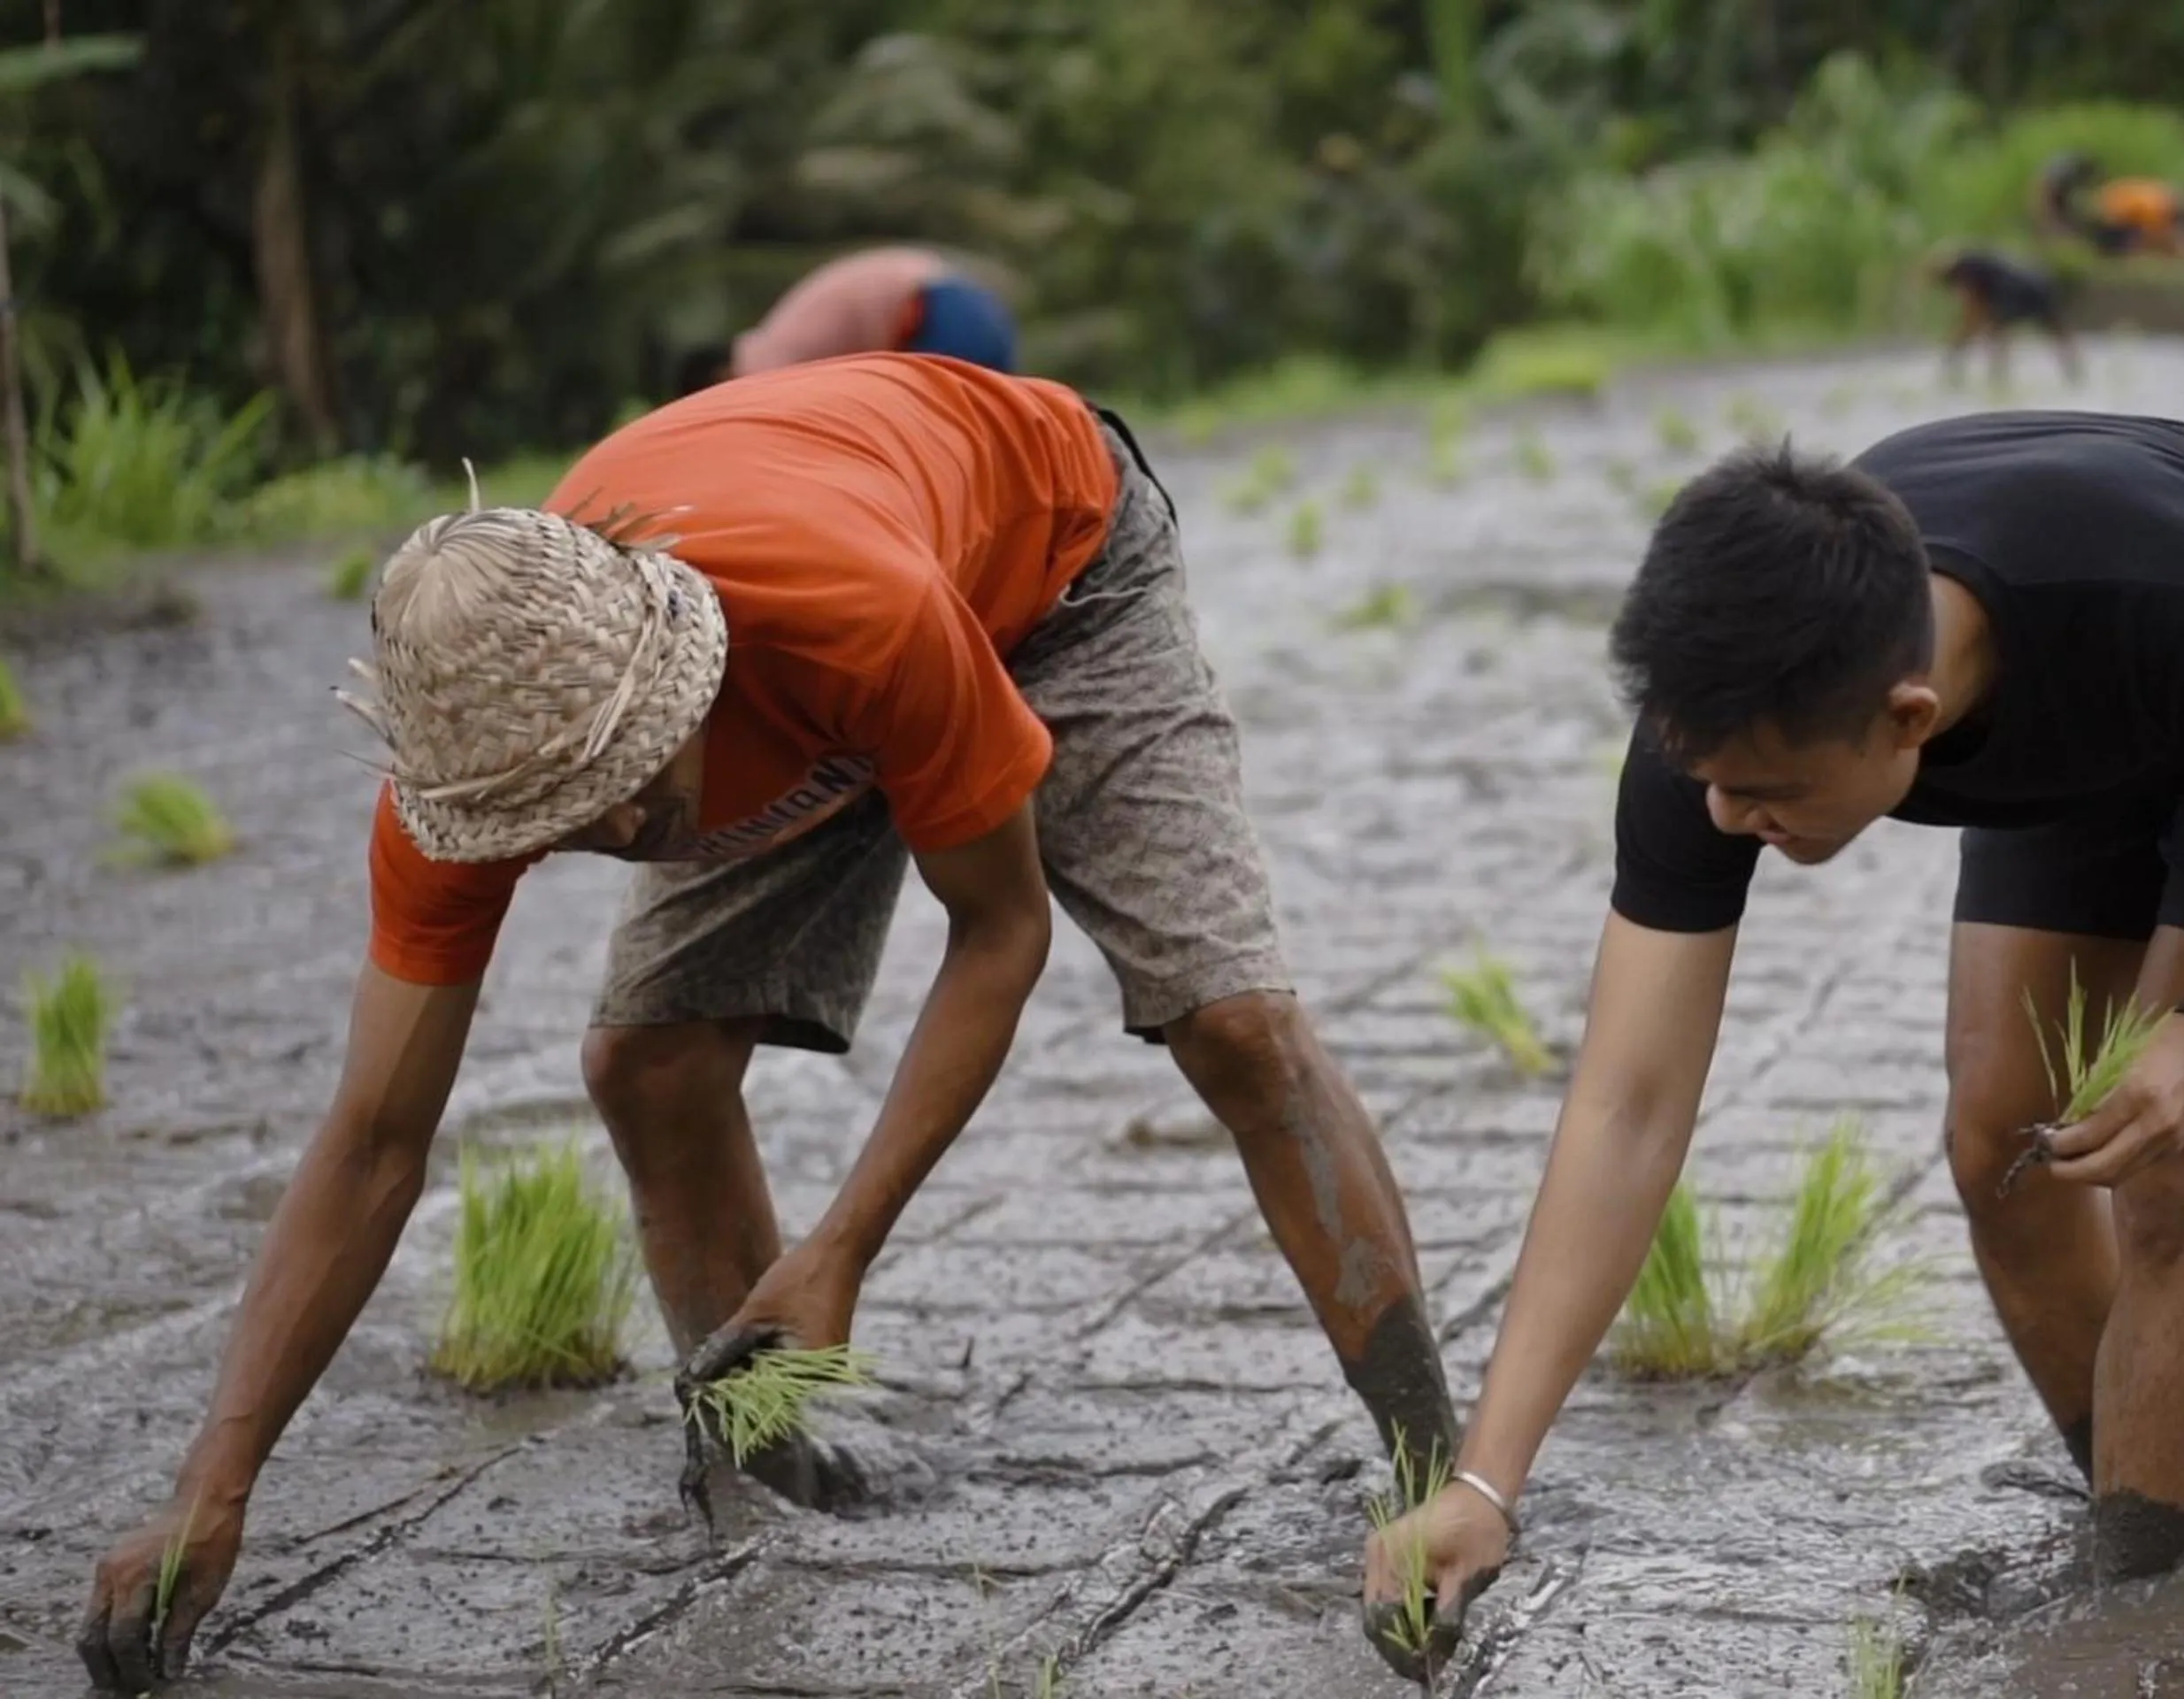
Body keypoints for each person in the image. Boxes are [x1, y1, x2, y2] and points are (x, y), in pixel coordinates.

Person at [78, 356, 1457, 1695]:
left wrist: (842, 1245)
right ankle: (778, 1468)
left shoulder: (848, 610)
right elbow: (375, 1140)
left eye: (621, 772)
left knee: (1235, 1026)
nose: (620, 828)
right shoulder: (466, 788)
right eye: (568, 810)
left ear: (664, 670)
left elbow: (1000, 931)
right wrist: (214, 1487)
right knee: (646, 1064)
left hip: (1056, 569)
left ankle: (1431, 1464)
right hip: (785, 688)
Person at [1363, 413, 2184, 1676]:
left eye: (1766, 796)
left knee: (2172, 1168)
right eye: (1706, 782)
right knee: (2007, 1139)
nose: (1729, 820)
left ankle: (2148, 1613)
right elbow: (1627, 1106)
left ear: (1908, 719)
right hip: (2087, 697)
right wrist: (1487, 1483)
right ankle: (2142, 1496)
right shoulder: (1722, 721)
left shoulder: (2171, 594)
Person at [677, 246, 1019, 392]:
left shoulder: (764, 363)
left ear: (718, 377)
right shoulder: (778, 337)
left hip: (937, 310)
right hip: (964, 302)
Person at [1931, 247, 2083, 385]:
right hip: (2038, 281)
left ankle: (1998, 378)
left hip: (2016, 290)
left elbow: (1972, 313)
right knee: (2057, 331)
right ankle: (2074, 372)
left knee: (1996, 333)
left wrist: (1954, 349)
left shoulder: (1965, 269)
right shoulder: (1976, 261)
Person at [2034, 152, 2184, 258]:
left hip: (2112, 208)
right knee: (2126, 243)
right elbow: (2150, 236)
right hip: (2111, 213)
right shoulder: (2161, 206)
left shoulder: (2160, 200)